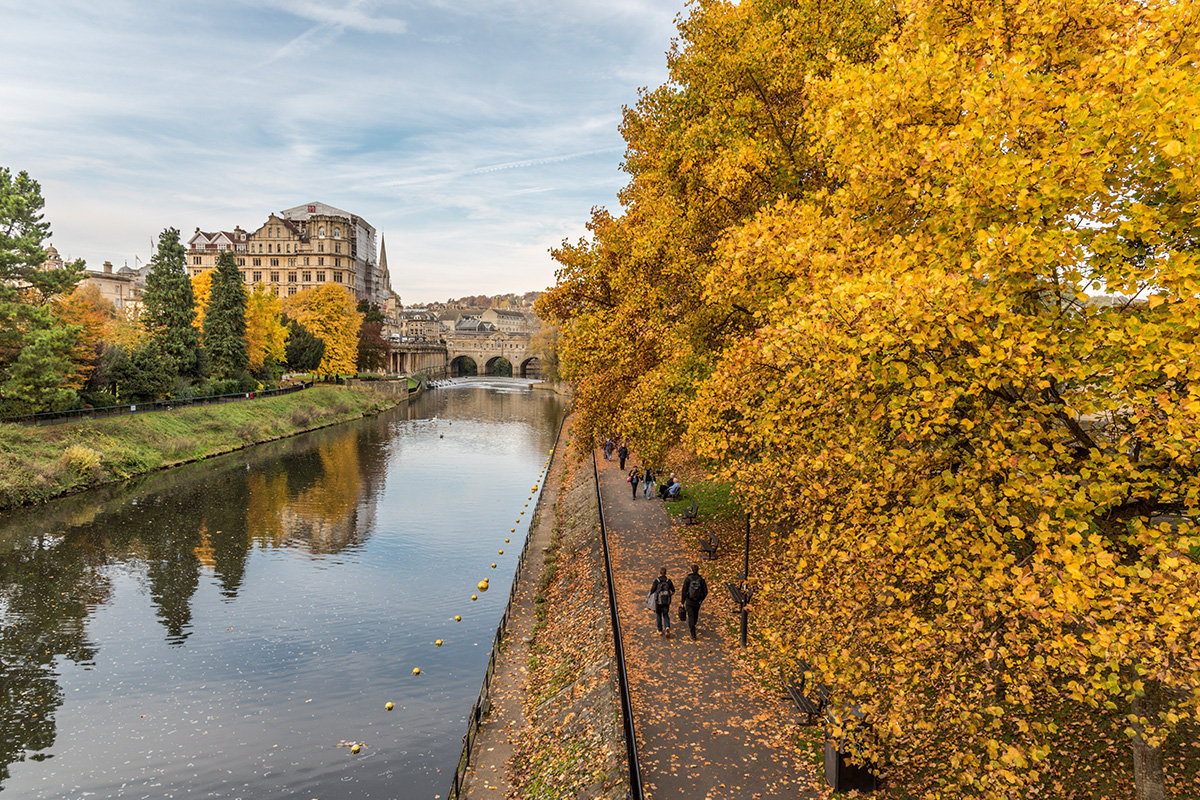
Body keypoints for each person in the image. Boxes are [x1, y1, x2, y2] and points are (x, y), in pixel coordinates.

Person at [680, 563, 709, 640]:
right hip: (697, 601)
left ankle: (693, 634)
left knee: (690, 616)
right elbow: (705, 591)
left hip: (689, 600)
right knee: (695, 614)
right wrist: (701, 599)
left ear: (691, 570)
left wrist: (682, 601)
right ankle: (694, 624)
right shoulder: (701, 579)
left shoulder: (688, 579)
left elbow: (684, 590)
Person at [648, 567, 675, 637]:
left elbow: (652, 590)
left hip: (658, 602)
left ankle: (660, 630)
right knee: (666, 614)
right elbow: (673, 590)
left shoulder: (657, 581)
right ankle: (667, 626)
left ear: (660, 573)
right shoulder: (668, 581)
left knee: (658, 615)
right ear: (666, 573)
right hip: (666, 601)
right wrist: (669, 595)